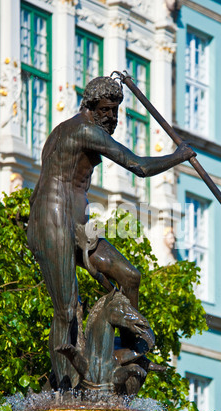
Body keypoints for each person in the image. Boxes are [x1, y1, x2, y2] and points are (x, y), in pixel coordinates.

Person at [27, 76, 195, 389]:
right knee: (66, 309)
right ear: (89, 107)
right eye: (106, 110)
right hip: (52, 219)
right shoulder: (83, 130)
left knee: (130, 276)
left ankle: (134, 352)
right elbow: (139, 167)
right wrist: (178, 155)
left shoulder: (73, 131)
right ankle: (64, 387)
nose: (113, 118)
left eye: (116, 111)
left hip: (76, 223)